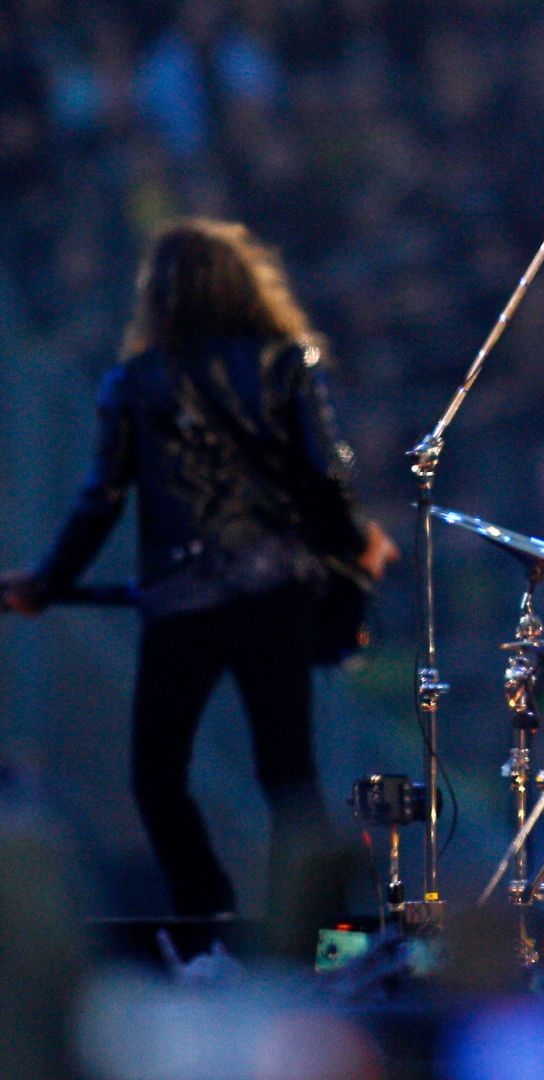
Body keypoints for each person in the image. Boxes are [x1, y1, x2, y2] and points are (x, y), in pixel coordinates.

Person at [1, 218, 399, 918]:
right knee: (288, 774)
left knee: (158, 774)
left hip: (183, 599)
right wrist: (355, 548)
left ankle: (205, 911)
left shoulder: (137, 382)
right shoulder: (284, 366)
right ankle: (306, 928)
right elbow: (322, 480)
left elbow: (101, 500)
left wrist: (46, 580)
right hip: (276, 595)